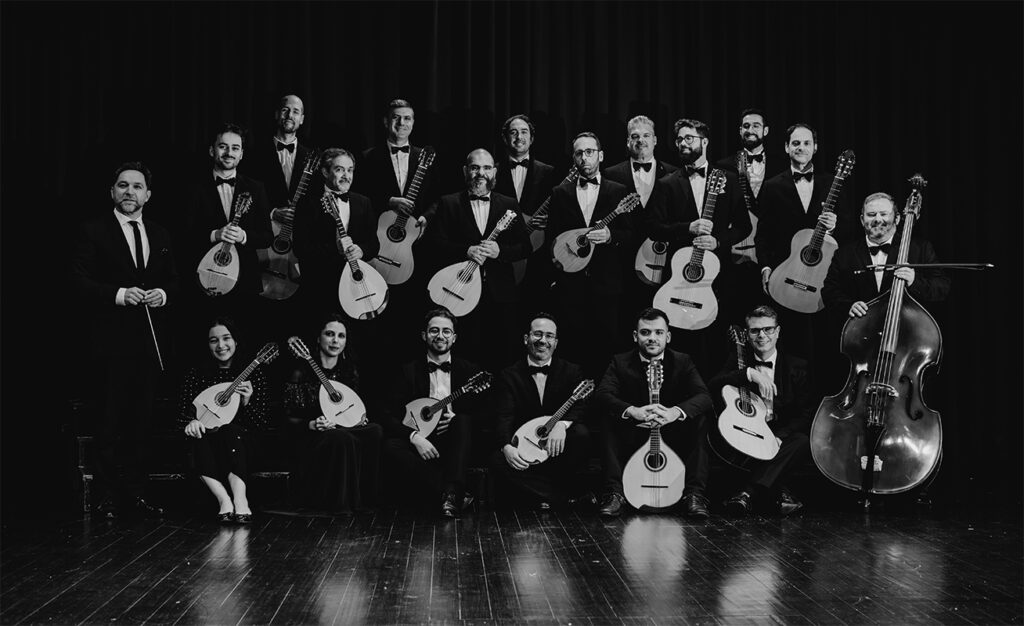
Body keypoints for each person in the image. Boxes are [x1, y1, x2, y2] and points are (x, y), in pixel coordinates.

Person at [71, 161, 179, 518]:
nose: (129, 192)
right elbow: (77, 282)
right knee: (109, 421)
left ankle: (135, 494)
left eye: (136, 187)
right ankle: (105, 497)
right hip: (109, 345)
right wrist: (118, 294)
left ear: (148, 195)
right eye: (122, 186)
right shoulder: (92, 230)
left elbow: (174, 281)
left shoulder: (161, 233)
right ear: (112, 192)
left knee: (141, 422)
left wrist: (162, 294)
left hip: (148, 345)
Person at [645, 118, 751, 376]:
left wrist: (718, 241)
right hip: (678, 279)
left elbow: (743, 226)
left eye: (688, 138)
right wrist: (686, 228)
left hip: (717, 278)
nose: (682, 143)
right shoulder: (667, 183)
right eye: (679, 139)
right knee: (679, 343)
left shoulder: (728, 178)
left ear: (704, 141)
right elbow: (653, 227)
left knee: (714, 345)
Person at [822, 191, 951, 392]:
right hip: (862, 345)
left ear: (897, 218)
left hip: (906, 345)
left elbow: (942, 288)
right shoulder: (845, 253)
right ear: (862, 219)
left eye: (884, 214)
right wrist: (848, 305)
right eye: (871, 215)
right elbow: (829, 291)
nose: (878, 220)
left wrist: (914, 280)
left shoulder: (920, 249)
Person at [594, 307, 714, 518]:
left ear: (668, 337)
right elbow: (603, 394)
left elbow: (704, 397)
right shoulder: (620, 362)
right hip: (634, 433)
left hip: (671, 434)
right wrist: (632, 411)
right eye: (645, 332)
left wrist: (674, 413)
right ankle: (615, 494)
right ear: (635, 336)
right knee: (607, 419)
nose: (652, 338)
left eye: (658, 332)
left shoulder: (682, 361)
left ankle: (694, 495)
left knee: (701, 419)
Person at [753, 122, 854, 365]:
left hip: (823, 282)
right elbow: (762, 235)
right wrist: (765, 268)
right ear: (787, 148)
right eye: (795, 143)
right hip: (785, 279)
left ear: (815, 147)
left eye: (806, 143)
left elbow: (852, 232)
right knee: (788, 349)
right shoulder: (772, 186)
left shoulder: (833, 183)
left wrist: (835, 225)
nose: (801, 147)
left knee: (823, 348)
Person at [426, 148, 531, 371]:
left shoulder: (508, 204)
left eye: (485, 168)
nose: (480, 173)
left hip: (500, 293)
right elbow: (433, 246)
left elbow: (525, 247)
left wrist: (499, 251)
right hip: (459, 293)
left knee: (501, 354)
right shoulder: (449, 203)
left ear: (494, 172)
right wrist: (466, 250)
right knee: (464, 354)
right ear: (465, 171)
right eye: (474, 167)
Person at [353, 98, 438, 367]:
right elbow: (358, 199)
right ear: (385, 121)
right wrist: (388, 202)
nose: (402, 123)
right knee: (375, 322)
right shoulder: (367, 157)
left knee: (410, 318)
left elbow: (439, 198)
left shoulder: (424, 156)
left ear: (414, 123)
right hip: (379, 250)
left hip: (414, 251)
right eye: (396, 118)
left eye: (407, 118)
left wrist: (426, 217)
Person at [707, 305, 814, 515]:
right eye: (755, 330)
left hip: (779, 435)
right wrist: (748, 373)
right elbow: (712, 385)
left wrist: (780, 437)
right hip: (747, 431)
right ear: (747, 334)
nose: (762, 335)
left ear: (778, 332)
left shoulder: (798, 366)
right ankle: (779, 493)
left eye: (768, 329)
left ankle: (746, 494)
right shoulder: (740, 362)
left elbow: (807, 413)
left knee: (801, 441)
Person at [546, 132, 633, 377]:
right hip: (569, 286)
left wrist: (610, 236)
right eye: (579, 153)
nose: (584, 157)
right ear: (573, 158)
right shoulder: (559, 193)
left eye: (589, 152)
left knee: (606, 349)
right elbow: (552, 239)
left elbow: (631, 236)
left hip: (606, 286)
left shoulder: (619, 192)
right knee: (571, 349)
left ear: (601, 155)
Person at [381, 308, 483, 517]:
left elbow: (488, 413)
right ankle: (452, 494)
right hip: (421, 440)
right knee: (390, 446)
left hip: (455, 442)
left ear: (454, 338)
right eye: (434, 330)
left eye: (446, 331)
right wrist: (415, 437)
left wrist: (457, 420)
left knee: (463, 421)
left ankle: (449, 493)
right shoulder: (407, 371)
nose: (440, 336)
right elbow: (386, 414)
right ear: (424, 335)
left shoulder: (469, 371)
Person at [181, 123, 273, 351]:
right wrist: (214, 234)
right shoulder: (193, 189)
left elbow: (267, 237)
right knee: (206, 341)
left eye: (235, 148)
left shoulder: (256, 188)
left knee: (245, 340)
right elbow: (181, 234)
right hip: (206, 280)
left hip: (245, 282)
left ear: (241, 154)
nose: (229, 153)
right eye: (223, 146)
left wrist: (243, 236)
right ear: (212, 150)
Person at [490, 313, 593, 510]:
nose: (543, 340)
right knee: (497, 460)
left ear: (556, 342)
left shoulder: (571, 371)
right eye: (537, 334)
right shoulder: (509, 375)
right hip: (527, 450)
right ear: (526, 338)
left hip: (557, 453)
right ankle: (562, 498)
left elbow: (582, 406)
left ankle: (540, 495)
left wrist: (561, 425)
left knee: (581, 435)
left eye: (549, 336)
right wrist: (507, 447)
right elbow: (504, 416)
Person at [283, 313, 382, 513]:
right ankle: (340, 503)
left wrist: (358, 418)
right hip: (314, 436)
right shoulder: (301, 372)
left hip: (341, 428)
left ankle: (365, 500)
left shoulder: (349, 371)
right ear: (319, 338)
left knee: (375, 431)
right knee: (341, 437)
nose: (335, 340)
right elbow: (286, 418)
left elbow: (351, 407)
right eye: (330, 334)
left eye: (341, 336)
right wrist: (312, 424)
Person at [180, 318, 270, 523]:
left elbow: (260, 424)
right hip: (206, 446)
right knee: (198, 438)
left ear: (236, 341)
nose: (221, 346)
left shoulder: (254, 376)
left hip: (241, 447)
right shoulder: (196, 375)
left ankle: (240, 500)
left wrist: (247, 402)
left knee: (229, 430)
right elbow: (182, 416)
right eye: (214, 340)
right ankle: (224, 500)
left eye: (226, 338)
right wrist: (191, 422)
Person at [603, 115, 679, 338]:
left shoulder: (674, 174)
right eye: (635, 137)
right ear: (627, 142)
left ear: (655, 140)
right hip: (622, 263)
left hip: (663, 262)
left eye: (646, 135)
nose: (641, 141)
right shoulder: (610, 174)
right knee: (625, 323)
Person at [292, 148, 380, 320]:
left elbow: (373, 244)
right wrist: (335, 249)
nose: (346, 175)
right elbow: (300, 249)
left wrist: (361, 250)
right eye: (339, 169)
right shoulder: (307, 203)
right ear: (325, 172)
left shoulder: (363, 202)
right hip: (319, 286)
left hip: (355, 285)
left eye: (350, 170)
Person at [714, 109, 784, 321]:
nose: (750, 130)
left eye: (755, 125)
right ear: (739, 130)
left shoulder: (782, 164)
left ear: (766, 130)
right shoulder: (723, 166)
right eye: (746, 126)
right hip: (736, 248)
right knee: (734, 309)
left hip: (773, 248)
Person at [494, 114, 560, 321]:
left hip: (537, 255)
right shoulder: (492, 171)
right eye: (513, 132)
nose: (519, 137)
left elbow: (562, 213)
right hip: (503, 253)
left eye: (524, 132)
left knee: (535, 309)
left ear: (531, 139)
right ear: (505, 139)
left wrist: (549, 222)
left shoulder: (549, 172)